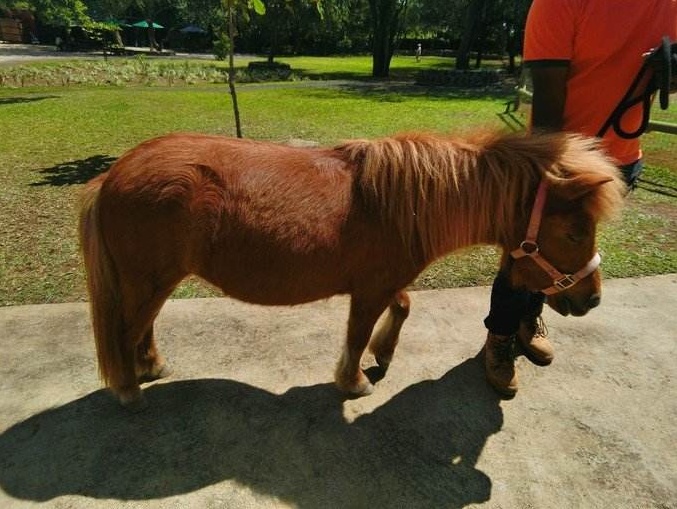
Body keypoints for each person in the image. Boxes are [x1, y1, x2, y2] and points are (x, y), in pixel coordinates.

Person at [483, 0, 677, 397]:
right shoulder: (560, 4)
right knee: (527, 251)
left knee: (561, 252)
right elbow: (549, 111)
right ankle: (500, 336)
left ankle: (528, 318)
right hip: (561, 164)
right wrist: (549, 182)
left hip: (621, 161)